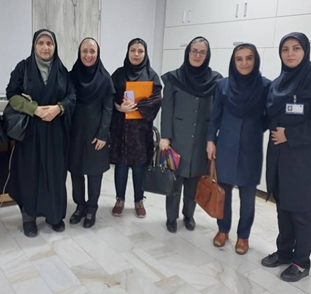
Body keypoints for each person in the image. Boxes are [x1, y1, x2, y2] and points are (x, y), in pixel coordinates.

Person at [261, 32, 311, 282]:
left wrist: (290, 135)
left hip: (307, 158)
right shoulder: (278, 83)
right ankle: (284, 252)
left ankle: (301, 262)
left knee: (302, 211)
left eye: (296, 48)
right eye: (285, 49)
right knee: (283, 207)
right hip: (280, 156)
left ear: (305, 51)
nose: (290, 54)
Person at [6, 29, 76, 237]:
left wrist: (58, 108)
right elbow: (11, 93)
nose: (45, 47)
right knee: (30, 174)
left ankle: (54, 216)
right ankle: (29, 218)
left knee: (55, 174)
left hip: (55, 131)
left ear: (55, 46)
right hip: (31, 131)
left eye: (49, 43)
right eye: (41, 43)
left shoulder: (62, 71)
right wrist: (33, 109)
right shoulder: (23, 68)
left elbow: (72, 96)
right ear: (34, 46)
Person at [206, 43, 271, 254]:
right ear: (233, 62)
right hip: (226, 145)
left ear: (255, 60)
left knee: (248, 197)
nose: (244, 63)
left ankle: (243, 236)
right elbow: (215, 116)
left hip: (251, 148)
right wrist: (210, 140)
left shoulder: (265, 86)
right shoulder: (222, 86)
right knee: (223, 193)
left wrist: (254, 129)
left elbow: (269, 117)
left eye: (248, 58)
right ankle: (223, 230)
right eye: (239, 59)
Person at [160, 37, 221, 233]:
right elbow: (167, 109)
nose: (197, 55)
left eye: (202, 52)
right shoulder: (174, 78)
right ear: (188, 52)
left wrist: (212, 139)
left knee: (194, 182)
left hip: (201, 140)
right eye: (194, 51)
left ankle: (189, 215)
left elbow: (216, 113)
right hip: (177, 139)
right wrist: (165, 136)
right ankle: (171, 217)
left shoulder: (215, 81)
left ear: (207, 55)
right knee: (174, 181)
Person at [110, 38, 162, 218]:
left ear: (145, 53)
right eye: (133, 50)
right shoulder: (118, 74)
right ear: (127, 52)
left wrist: (136, 106)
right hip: (121, 129)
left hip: (141, 132)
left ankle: (139, 200)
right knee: (121, 166)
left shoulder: (152, 76)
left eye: (140, 51)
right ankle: (119, 199)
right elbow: (108, 96)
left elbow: (156, 101)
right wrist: (119, 107)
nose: (136, 54)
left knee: (140, 167)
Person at [68, 38, 115, 228]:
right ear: (79, 53)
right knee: (76, 172)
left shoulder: (105, 78)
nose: (88, 55)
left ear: (98, 53)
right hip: (74, 133)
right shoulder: (71, 76)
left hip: (97, 135)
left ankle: (92, 208)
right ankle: (80, 206)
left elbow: (108, 108)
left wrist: (103, 134)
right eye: (84, 51)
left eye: (92, 51)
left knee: (95, 173)